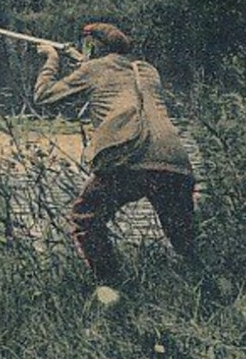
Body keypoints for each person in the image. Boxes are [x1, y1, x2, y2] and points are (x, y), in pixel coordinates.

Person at [33, 22, 197, 297]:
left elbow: (44, 96)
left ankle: (113, 289)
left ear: (93, 45)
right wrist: (84, 62)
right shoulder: (147, 70)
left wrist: (51, 58)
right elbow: (116, 78)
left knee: (85, 219)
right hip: (174, 160)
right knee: (184, 238)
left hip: (129, 158)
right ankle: (208, 291)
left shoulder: (93, 69)